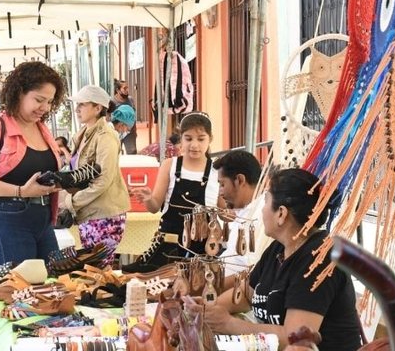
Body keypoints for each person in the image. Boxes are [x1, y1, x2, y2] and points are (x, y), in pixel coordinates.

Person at [202, 168, 362, 351]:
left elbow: (295, 338)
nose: (262, 211)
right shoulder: (279, 248)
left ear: (281, 214)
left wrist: (230, 325)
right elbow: (245, 295)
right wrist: (209, 310)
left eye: (266, 201)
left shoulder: (318, 260)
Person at [0, 61, 65, 268]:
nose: (45, 108)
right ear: (19, 93)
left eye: (49, 101)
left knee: (53, 288)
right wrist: (21, 191)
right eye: (39, 99)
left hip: (43, 219)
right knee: (17, 293)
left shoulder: (42, 129)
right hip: (5, 220)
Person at [123, 112, 223, 273]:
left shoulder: (216, 171)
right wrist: (148, 198)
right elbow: (154, 207)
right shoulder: (170, 165)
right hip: (166, 249)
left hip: (202, 250)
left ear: (210, 139)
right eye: (188, 138)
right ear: (181, 138)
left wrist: (231, 213)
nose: (194, 145)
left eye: (201, 138)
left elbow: (223, 211)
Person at [66, 85, 131, 265]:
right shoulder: (83, 134)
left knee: (97, 271)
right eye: (77, 104)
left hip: (103, 214)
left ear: (98, 108)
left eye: (82, 104)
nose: (77, 109)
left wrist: (71, 203)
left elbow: (103, 180)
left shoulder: (106, 136)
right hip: (90, 213)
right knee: (91, 271)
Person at [112, 79, 137, 154]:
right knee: (116, 152)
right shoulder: (112, 102)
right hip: (117, 132)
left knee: (132, 151)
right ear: (118, 90)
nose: (127, 90)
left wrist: (134, 131)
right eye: (124, 88)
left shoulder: (130, 100)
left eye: (127, 88)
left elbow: (133, 116)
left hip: (130, 132)